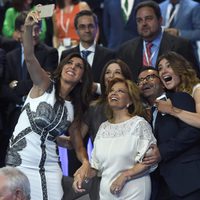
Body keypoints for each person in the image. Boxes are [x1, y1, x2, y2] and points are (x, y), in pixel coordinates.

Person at [5, 9, 92, 200]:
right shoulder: (44, 83)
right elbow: (29, 56)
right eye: (70, 63)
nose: (73, 67)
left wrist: (85, 162)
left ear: (81, 79)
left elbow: (77, 145)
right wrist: (28, 27)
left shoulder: (74, 107)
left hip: (50, 165)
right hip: (22, 158)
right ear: (62, 68)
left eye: (79, 67)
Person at [73, 78, 157, 200]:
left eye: (120, 91)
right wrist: (82, 175)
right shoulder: (103, 128)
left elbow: (148, 162)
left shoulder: (139, 124)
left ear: (130, 100)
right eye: (111, 90)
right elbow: (97, 168)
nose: (113, 93)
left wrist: (125, 176)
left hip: (134, 191)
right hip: (107, 194)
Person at [138, 66, 200, 200]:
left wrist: (162, 151)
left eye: (149, 77)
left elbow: (192, 131)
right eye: (140, 80)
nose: (144, 82)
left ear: (162, 82)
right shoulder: (141, 116)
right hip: (159, 188)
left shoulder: (179, 98)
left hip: (188, 182)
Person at [2, 11, 58, 143]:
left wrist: (16, 85)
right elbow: (4, 88)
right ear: (17, 33)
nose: (33, 34)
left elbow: (43, 82)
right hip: (12, 114)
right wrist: (20, 92)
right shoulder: (9, 56)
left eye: (37, 30)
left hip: (38, 114)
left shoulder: (50, 53)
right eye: (27, 30)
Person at [117, 0, 200, 82]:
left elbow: (194, 77)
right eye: (139, 20)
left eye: (148, 19)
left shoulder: (181, 45)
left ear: (160, 20)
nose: (144, 23)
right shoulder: (126, 50)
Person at [61, 10, 115, 84]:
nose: (87, 30)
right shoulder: (66, 55)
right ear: (76, 30)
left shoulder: (109, 55)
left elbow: (112, 83)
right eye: (82, 27)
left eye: (90, 26)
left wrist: (96, 88)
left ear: (96, 28)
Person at [155, 51, 200, 129]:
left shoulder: (197, 89)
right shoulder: (168, 97)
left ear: (180, 68)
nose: (164, 71)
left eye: (169, 66)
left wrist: (172, 110)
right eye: (160, 68)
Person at [159, 0, 200, 65]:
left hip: (186, 55)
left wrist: (179, 33)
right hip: (165, 54)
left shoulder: (194, 6)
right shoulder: (161, 6)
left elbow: (198, 33)